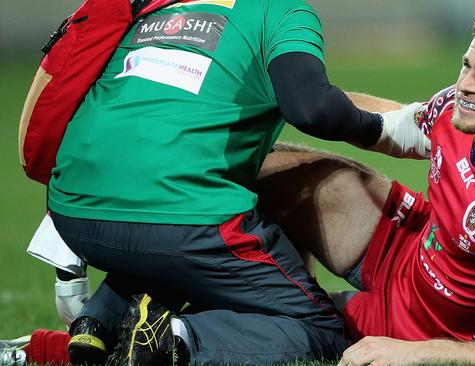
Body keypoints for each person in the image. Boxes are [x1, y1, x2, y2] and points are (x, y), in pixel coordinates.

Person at [3, 8, 475, 366]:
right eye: (465, 65)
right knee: (272, 173)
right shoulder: (464, 110)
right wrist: (273, 111)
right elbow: (396, 125)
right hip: (410, 253)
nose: (465, 84)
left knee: (297, 329)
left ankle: (136, 340)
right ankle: (100, 324)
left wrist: (410, 354)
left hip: (428, 324)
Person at [44, 0, 429, 365]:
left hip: (73, 210)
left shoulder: (163, 6)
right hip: (182, 212)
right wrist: (386, 129)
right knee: (320, 331)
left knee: (172, 256)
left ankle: (98, 321)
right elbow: (312, 108)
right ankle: (172, 336)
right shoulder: (279, 10)